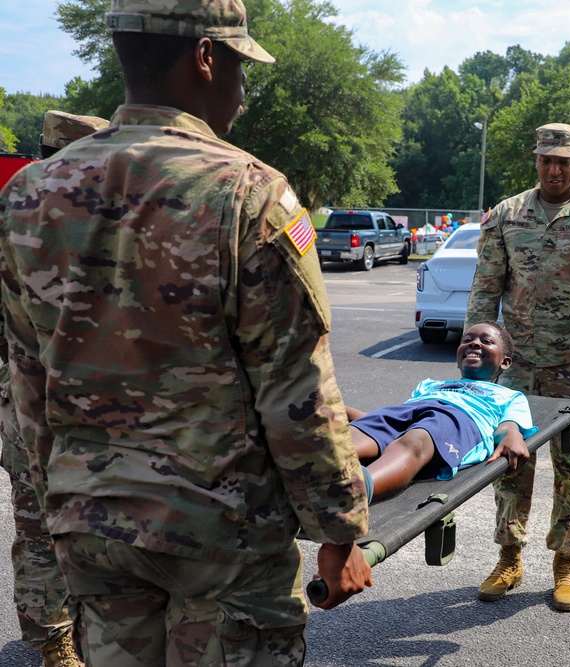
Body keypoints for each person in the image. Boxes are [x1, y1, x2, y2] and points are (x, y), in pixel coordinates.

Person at [0, 1, 372, 664]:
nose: (241, 89)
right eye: (238, 67)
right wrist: (341, 527)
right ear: (205, 56)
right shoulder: (250, 194)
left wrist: (63, 495)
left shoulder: (29, 194)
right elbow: (297, 389)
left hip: (92, 528)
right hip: (220, 537)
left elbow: (30, 385)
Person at [466, 122, 570, 612]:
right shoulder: (505, 217)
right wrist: (475, 353)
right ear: (534, 160)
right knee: (508, 464)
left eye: (564, 160)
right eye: (546, 159)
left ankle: (566, 564)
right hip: (515, 367)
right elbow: (485, 288)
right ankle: (509, 557)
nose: (555, 169)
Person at [0, 110, 110, 667]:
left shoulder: (23, 212)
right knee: (45, 526)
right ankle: (55, 641)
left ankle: (71, 629)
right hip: (36, 400)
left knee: (69, 524)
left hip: (69, 402)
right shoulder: (26, 219)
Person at [347, 321, 536, 500]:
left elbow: (508, 425)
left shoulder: (510, 395)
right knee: (357, 432)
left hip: (460, 419)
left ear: (505, 362)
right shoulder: (430, 385)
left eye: (486, 341)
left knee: (417, 439)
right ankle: (323, 470)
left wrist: (512, 434)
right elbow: (394, 426)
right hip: (411, 409)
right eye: (467, 340)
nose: (474, 343)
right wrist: (344, 412)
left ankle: (353, 493)